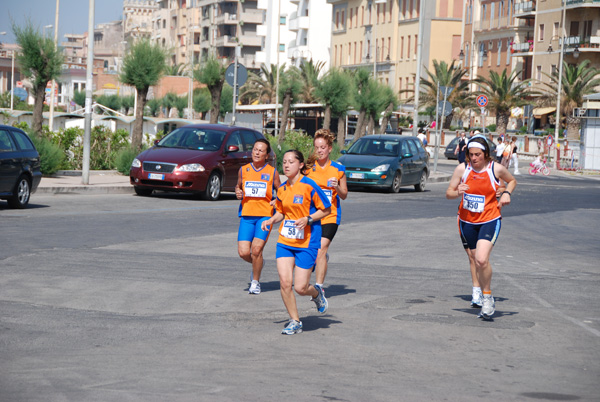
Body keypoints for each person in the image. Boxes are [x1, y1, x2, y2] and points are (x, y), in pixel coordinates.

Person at [446, 135, 517, 319]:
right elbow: (449, 192)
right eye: (471, 155)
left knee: (481, 259)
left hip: (489, 218)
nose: (474, 158)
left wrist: (507, 193)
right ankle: (476, 290)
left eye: (478, 154)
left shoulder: (496, 169)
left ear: (485, 154)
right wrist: (456, 192)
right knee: (473, 257)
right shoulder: (463, 169)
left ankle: (487, 297)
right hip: (466, 220)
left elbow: (512, 181)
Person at [261, 150, 332, 335]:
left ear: (300, 165)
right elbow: (282, 212)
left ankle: (316, 294)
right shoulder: (283, 189)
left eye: (291, 162)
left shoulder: (309, 185)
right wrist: (270, 221)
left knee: (300, 288)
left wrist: (308, 219)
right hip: (285, 240)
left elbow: (326, 209)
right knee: (285, 283)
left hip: (307, 242)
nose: (286, 165)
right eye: (284, 162)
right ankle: (295, 321)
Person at [235, 139, 281, 295]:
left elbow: (281, 190)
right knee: (243, 253)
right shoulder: (243, 170)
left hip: (264, 216)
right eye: (255, 149)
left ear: (266, 155)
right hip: (247, 215)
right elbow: (238, 185)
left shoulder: (272, 172)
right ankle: (258, 262)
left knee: (256, 250)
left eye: (261, 151)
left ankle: (255, 282)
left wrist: (277, 199)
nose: (257, 152)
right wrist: (238, 191)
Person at [305, 129, 349, 293]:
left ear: (330, 148)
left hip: (331, 215)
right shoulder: (308, 169)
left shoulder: (338, 169)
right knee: (314, 251)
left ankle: (319, 287)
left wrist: (336, 186)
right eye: (317, 147)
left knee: (320, 250)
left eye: (323, 147)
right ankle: (321, 260)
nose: (319, 150)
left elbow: (344, 195)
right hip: (313, 216)